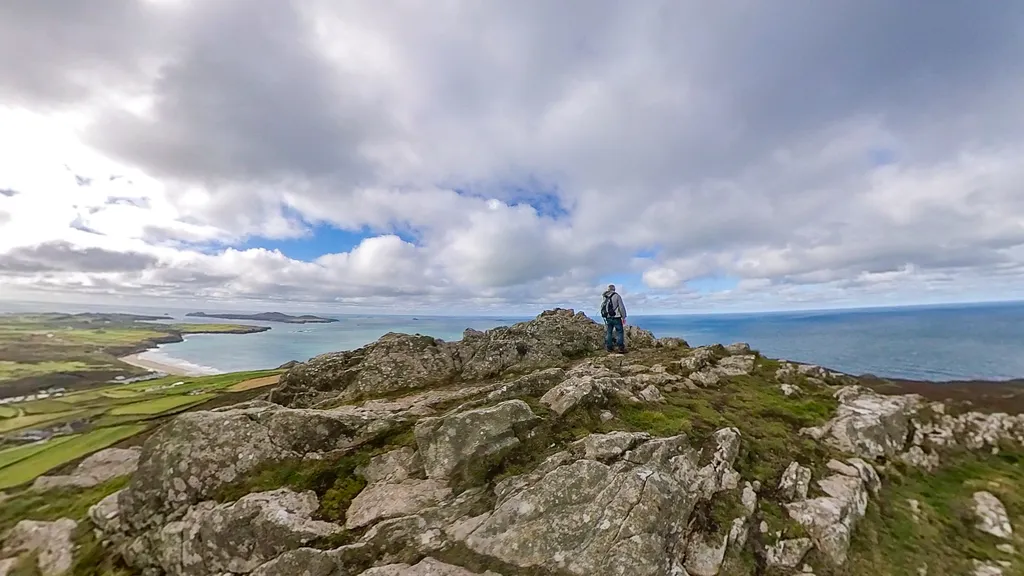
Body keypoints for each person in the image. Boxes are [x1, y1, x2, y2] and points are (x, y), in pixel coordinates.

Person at [600, 284, 627, 353]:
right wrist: (624, 317)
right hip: (616, 317)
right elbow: (621, 307)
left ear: (608, 289)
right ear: (614, 289)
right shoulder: (617, 296)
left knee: (609, 332)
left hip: (608, 317)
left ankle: (609, 347)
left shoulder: (605, 296)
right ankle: (620, 348)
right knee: (619, 331)